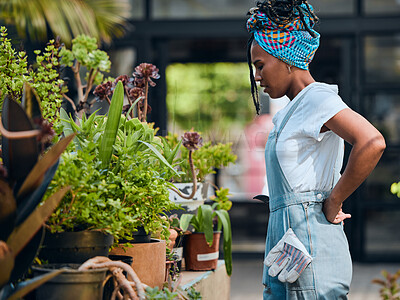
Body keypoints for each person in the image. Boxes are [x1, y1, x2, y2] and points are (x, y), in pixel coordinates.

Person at [245, 1, 386, 299]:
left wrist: (334, 200)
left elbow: (372, 141)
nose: (256, 77)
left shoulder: (317, 98)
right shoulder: (288, 112)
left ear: (286, 60)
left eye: (260, 66)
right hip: (286, 245)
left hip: (309, 245)